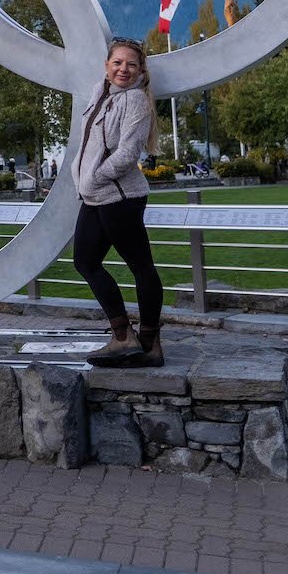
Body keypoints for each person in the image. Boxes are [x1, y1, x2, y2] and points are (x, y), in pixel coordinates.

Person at [71, 37, 165, 368]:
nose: (123, 69)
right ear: (107, 66)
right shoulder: (101, 94)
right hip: (95, 196)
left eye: (131, 64)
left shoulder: (136, 101)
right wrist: (81, 177)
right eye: (117, 63)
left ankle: (150, 344)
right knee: (84, 261)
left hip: (120, 198)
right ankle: (123, 337)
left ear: (141, 70)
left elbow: (128, 153)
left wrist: (96, 176)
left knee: (141, 267)